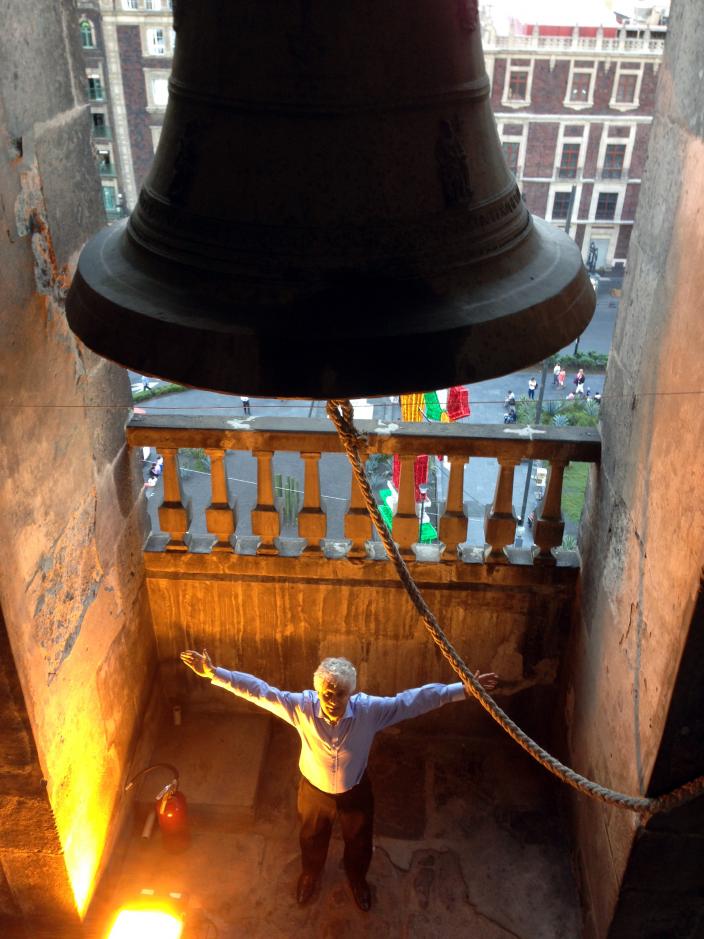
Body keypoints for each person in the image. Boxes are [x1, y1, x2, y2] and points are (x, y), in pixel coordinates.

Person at [180, 650, 498, 912]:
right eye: (327, 693)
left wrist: (465, 689)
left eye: (340, 694)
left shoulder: (370, 711)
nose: (332, 700)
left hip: (355, 791)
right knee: (311, 837)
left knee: (359, 841)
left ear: (352, 692)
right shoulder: (301, 707)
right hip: (314, 792)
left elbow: (412, 701)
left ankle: (357, 878)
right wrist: (214, 673)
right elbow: (260, 691)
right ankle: (310, 874)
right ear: (318, 691)